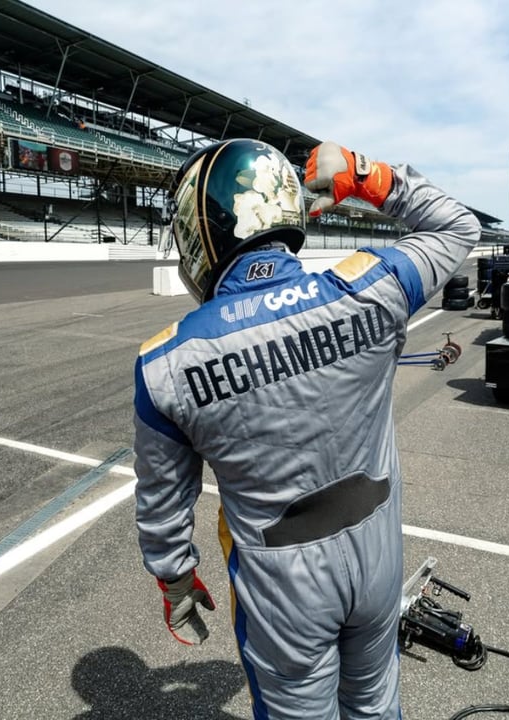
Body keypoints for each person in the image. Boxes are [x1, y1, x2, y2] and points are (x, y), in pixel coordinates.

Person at [133, 137, 481, 717]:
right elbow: (457, 226)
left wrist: (175, 580)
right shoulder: (367, 288)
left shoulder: (166, 363)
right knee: (375, 706)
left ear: (205, 231)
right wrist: (368, 177)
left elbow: (163, 501)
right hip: (376, 552)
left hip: (282, 582)